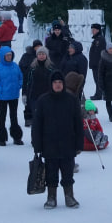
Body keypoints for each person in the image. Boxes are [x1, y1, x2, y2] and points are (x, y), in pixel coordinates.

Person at [33, 71, 85, 209]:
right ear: (51, 84)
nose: (57, 85)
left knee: (68, 172)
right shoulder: (43, 100)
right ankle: (51, 197)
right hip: (49, 145)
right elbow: (37, 125)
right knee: (51, 173)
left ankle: (69, 196)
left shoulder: (71, 99)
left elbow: (78, 124)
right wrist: (37, 145)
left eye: (60, 82)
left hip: (68, 144)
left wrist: (79, 143)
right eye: (55, 83)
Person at [0, 45, 25, 146]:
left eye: (10, 55)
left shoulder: (15, 65)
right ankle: (1, 138)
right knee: (2, 115)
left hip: (14, 95)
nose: (9, 57)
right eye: (7, 55)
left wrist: (19, 85)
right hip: (2, 96)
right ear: (3, 56)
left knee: (14, 116)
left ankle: (16, 137)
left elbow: (21, 77)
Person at [88, 24, 108, 100]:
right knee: (97, 80)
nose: (92, 31)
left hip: (98, 64)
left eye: (94, 29)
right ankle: (100, 93)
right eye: (92, 29)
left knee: (98, 80)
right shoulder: (97, 39)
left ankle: (99, 95)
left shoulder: (100, 39)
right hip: (95, 64)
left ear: (98, 30)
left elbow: (99, 53)